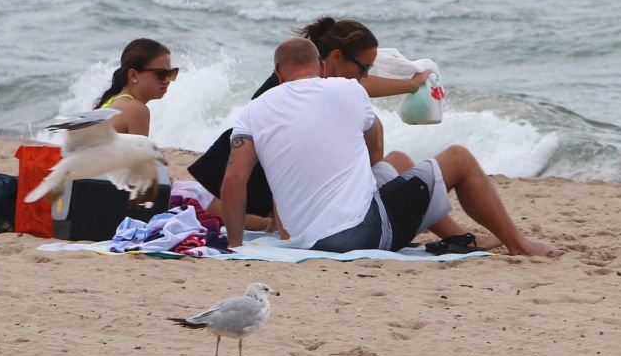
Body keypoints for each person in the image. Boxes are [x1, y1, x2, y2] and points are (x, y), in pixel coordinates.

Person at [220, 38, 565, 257]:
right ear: (322, 67)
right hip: (359, 234)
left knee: (400, 162)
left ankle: (460, 237)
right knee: (458, 158)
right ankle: (520, 244)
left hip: (303, 238)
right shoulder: (346, 90)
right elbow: (373, 153)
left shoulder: (254, 109)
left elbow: (234, 180)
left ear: (278, 74)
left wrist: (235, 244)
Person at [189, 17, 428, 227]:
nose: (365, 74)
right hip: (249, 175)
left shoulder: (312, 78)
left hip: (256, 171)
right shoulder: (300, 85)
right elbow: (359, 86)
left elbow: (357, 85)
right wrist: (409, 85)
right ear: (335, 58)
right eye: (363, 67)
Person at [93, 38, 178, 137]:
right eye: (161, 74)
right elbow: (141, 153)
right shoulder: (136, 109)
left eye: (171, 73)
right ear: (133, 75)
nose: (167, 80)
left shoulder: (112, 100)